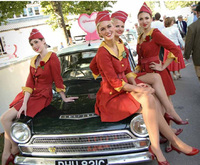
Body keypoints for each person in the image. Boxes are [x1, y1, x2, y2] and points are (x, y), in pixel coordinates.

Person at [90, 10, 199, 165]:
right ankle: (171, 142)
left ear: (113, 27)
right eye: (103, 29)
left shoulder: (121, 46)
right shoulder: (102, 53)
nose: (108, 31)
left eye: (109, 27)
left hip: (124, 88)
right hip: (111, 95)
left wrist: (136, 84)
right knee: (148, 97)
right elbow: (114, 83)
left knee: (149, 98)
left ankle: (161, 145)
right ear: (99, 33)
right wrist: (139, 89)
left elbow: (127, 71)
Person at [0, 29, 78, 165]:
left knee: (5, 118)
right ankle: (8, 152)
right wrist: (24, 103)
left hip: (42, 95)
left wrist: (64, 97)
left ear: (43, 41)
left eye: (36, 42)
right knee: (7, 118)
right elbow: (29, 82)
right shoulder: (34, 60)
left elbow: (57, 78)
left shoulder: (52, 57)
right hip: (31, 95)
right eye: (31, 44)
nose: (35, 46)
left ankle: (13, 149)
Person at [184, 2, 200, 82]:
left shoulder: (193, 27)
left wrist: (186, 55)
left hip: (198, 58)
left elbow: (189, 43)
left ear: (197, 13)